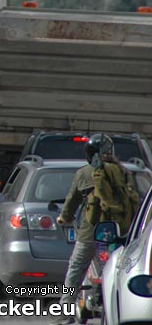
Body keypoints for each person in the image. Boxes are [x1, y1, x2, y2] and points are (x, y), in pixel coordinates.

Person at [50, 133, 115, 325]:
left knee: (76, 269)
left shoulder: (84, 173)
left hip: (90, 231)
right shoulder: (121, 172)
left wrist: (64, 217)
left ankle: (65, 312)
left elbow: (72, 202)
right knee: (114, 270)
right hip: (116, 232)